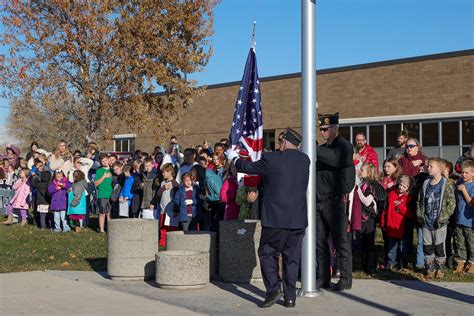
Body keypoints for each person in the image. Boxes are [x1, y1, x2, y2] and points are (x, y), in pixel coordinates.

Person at [227, 127, 310, 308]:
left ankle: (273, 290)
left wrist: (234, 157)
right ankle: (290, 298)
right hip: (297, 219)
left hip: (275, 219)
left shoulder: (271, 159)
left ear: (284, 142)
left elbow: (248, 167)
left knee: (267, 253)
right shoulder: (305, 160)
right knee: (292, 258)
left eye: (280, 141)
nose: (278, 145)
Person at [316, 113, 355, 291]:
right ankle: (323, 278)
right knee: (320, 242)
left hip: (335, 201)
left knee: (341, 242)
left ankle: (346, 279)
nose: (322, 132)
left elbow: (334, 158)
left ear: (335, 128)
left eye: (325, 129)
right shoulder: (323, 148)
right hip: (319, 200)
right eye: (321, 129)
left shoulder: (344, 146)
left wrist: (313, 148)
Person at [416, 158, 455, 279]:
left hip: (440, 222)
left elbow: (451, 203)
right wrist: (419, 214)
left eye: (431, 166)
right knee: (427, 245)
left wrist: (444, 217)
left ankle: (440, 268)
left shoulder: (446, 183)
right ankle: (430, 268)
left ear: (439, 169)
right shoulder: (426, 183)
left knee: (439, 245)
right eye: (428, 166)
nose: (428, 168)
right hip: (426, 221)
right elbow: (419, 201)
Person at [383, 175, 413, 270]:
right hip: (391, 225)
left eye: (404, 186)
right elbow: (385, 210)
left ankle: (402, 264)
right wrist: (383, 222)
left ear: (408, 188)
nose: (401, 187)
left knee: (402, 248)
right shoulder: (391, 194)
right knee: (391, 247)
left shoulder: (409, 198)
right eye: (400, 184)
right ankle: (391, 263)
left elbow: (410, 214)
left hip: (402, 228)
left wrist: (400, 206)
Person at [453, 160, 474, 274]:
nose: (463, 175)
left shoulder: (472, 186)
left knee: (471, 244)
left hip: (470, 221)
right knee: (460, 243)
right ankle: (461, 262)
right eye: (462, 173)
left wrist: (464, 190)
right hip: (459, 219)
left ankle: (472, 263)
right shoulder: (460, 183)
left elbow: (471, 203)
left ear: (473, 173)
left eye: (466, 173)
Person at [94, 154, 113, 233]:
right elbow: (96, 183)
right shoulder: (99, 171)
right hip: (102, 194)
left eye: (105, 160)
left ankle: (110, 229)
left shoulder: (112, 170)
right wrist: (104, 176)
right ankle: (101, 230)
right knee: (102, 213)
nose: (104, 162)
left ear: (108, 160)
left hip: (112, 194)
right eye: (102, 161)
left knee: (109, 213)